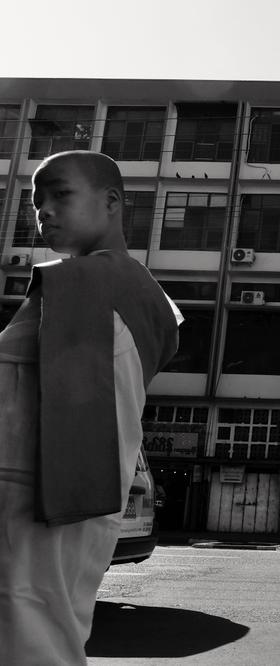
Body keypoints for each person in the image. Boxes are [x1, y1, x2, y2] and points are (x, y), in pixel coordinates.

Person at [0, 151, 180, 664]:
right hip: (88, 493)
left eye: (61, 194)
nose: (44, 211)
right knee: (46, 623)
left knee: (26, 627)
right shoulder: (143, 291)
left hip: (37, 493)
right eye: (36, 203)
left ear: (111, 201)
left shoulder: (82, 285)